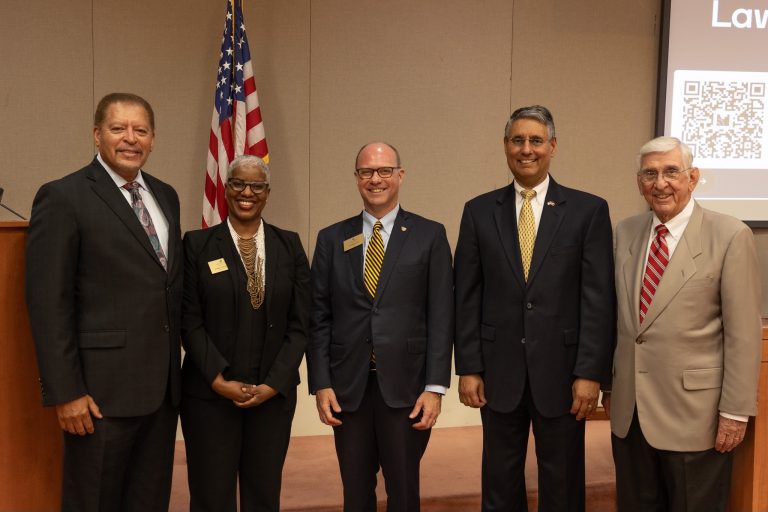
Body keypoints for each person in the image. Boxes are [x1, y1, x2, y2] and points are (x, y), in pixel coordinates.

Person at [25, 92, 182, 511]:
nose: (130, 138)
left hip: (162, 394)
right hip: (98, 397)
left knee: (148, 502)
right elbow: (47, 302)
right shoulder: (63, 197)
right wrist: (66, 391)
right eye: (118, 128)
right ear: (97, 135)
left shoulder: (166, 196)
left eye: (141, 130)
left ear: (152, 139)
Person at [454, 105, 616, 511]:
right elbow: (467, 295)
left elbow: (597, 300)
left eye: (536, 140)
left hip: (564, 376)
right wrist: (469, 367)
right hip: (497, 373)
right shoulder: (478, 211)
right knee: (499, 481)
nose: (527, 149)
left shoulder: (588, 211)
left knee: (562, 484)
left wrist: (590, 373)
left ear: (553, 146)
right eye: (517, 140)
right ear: (506, 146)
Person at [604, 136, 762, 511]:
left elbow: (743, 334)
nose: (660, 183)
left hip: (697, 418)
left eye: (671, 172)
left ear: (693, 178)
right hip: (631, 416)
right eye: (650, 174)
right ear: (639, 182)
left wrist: (735, 411)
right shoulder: (625, 233)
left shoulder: (730, 235)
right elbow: (620, 322)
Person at [306, 142, 453, 511]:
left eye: (384, 170)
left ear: (400, 175)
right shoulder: (331, 238)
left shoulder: (430, 235)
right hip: (347, 390)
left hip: (407, 389)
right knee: (355, 493)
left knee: (403, 491)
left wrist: (435, 387)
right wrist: (321, 383)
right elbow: (318, 316)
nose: (376, 179)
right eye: (367, 172)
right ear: (356, 178)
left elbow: (441, 315)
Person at [180, 155, 309, 512]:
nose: (246, 192)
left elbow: (301, 324)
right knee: (211, 497)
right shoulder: (196, 245)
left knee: (263, 496)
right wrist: (218, 380)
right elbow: (188, 321)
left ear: (267, 192)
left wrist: (274, 382)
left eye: (256, 186)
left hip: (272, 398)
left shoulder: (290, 246)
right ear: (226, 188)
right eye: (238, 183)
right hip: (209, 397)